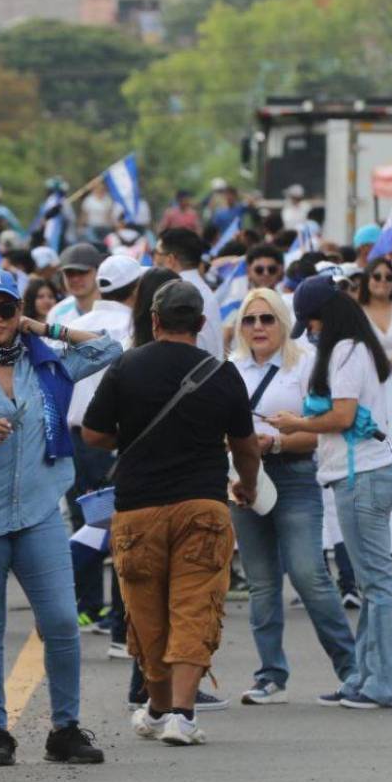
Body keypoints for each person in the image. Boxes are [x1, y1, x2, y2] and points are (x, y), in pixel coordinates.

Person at [0, 267, 119, 767]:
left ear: (18, 311)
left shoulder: (47, 364)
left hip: (37, 512)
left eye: (5, 309)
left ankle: (65, 728)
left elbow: (108, 348)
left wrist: (43, 328)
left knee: (60, 620)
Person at [83, 280, 260, 747]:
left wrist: (131, 434)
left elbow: (94, 434)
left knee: (145, 613)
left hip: (137, 507)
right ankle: (179, 712)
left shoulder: (125, 367)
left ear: (155, 321)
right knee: (194, 606)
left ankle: (159, 706)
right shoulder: (222, 374)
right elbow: (245, 446)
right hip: (202, 504)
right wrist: (248, 485)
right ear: (201, 324)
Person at [272, 275, 392, 709]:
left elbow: (343, 416)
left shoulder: (346, 350)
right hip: (363, 472)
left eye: (311, 324)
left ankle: (384, 684)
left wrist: (298, 424)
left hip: (360, 474)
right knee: (373, 583)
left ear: (322, 318)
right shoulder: (354, 347)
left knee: (377, 583)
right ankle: (367, 678)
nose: (310, 333)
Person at [229, 288, 357, 705]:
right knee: (262, 583)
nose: (259, 327)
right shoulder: (230, 368)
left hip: (296, 476)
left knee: (309, 574)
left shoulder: (305, 363)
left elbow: (320, 429)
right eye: (250, 320)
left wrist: (277, 444)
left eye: (267, 319)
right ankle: (270, 674)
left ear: (283, 321)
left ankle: (352, 669)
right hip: (244, 478)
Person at [64, 256, 143, 636]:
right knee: (122, 532)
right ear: (137, 288)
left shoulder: (72, 327)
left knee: (89, 523)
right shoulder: (134, 329)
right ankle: (119, 623)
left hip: (77, 438)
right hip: (119, 440)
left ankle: (86, 608)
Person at [153, 228, 224, 358]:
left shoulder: (178, 295)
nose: (154, 259)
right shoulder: (202, 290)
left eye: (157, 253)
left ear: (170, 259)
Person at [46, 244, 103, 328]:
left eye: (82, 272)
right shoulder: (56, 313)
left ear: (98, 272)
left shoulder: (115, 310)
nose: (75, 279)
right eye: (70, 273)